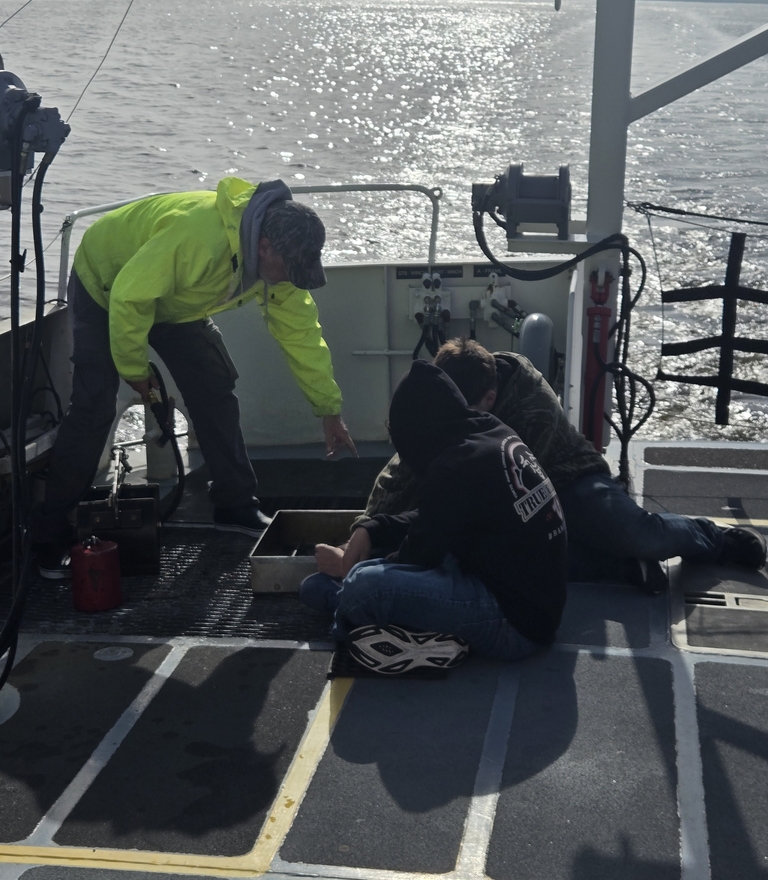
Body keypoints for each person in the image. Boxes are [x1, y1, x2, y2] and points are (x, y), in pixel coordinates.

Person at [33, 177, 356, 579]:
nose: (292, 278)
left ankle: (235, 504)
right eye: (290, 269)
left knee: (215, 385)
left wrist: (328, 409)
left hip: (174, 301)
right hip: (108, 282)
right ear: (264, 246)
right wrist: (134, 371)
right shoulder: (199, 237)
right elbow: (130, 296)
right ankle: (49, 533)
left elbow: (302, 335)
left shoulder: (279, 270)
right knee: (94, 404)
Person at [304, 338, 765, 608]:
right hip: (508, 497)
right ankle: (620, 568)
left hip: (566, 479)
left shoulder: (528, 398)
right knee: (512, 558)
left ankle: (711, 538)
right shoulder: (452, 409)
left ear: (491, 396)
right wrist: (361, 533)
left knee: (636, 532)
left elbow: (514, 478)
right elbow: (404, 470)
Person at [306, 358, 568, 673]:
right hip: (536, 603)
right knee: (363, 570)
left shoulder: (455, 466)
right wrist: (372, 530)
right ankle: (416, 630)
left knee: (361, 587)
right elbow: (439, 518)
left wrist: (348, 565)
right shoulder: (491, 432)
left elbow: (416, 556)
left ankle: (357, 623)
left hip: (514, 626)